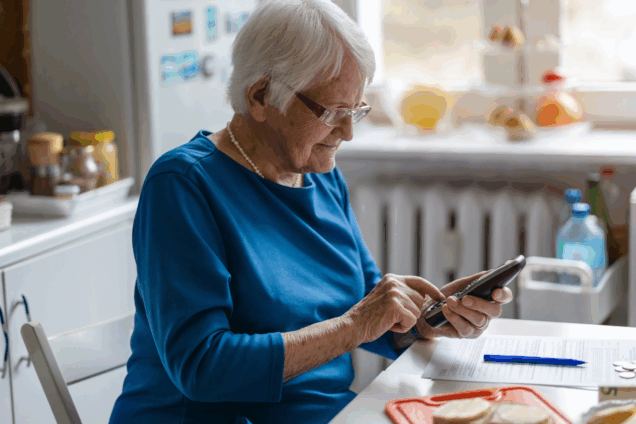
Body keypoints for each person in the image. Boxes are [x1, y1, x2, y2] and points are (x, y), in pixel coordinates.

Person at [109, 1, 513, 423]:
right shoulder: (182, 185)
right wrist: (357, 325)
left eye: (357, 110)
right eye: (334, 113)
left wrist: (422, 321)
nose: (349, 132)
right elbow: (202, 367)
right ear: (261, 96)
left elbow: (361, 301)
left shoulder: (318, 175)